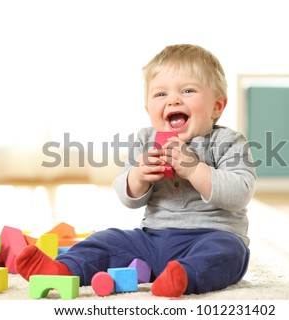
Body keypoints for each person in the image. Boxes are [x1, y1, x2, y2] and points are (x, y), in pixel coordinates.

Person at [15, 44, 256, 297]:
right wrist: (139, 176)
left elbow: (240, 193)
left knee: (229, 252)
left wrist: (195, 169)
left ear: (217, 106)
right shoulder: (146, 140)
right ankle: (63, 269)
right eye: (160, 94)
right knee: (109, 240)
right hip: (151, 239)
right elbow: (126, 195)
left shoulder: (228, 141)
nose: (173, 100)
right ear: (148, 109)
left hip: (210, 236)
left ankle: (183, 277)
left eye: (188, 91)